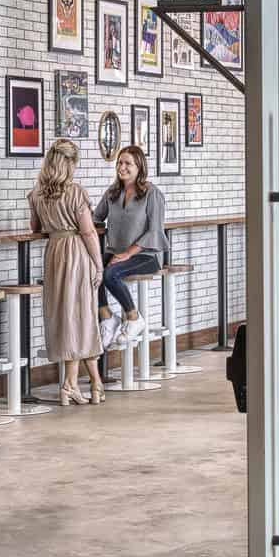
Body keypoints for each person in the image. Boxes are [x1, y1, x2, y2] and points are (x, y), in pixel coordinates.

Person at [30, 137, 107, 405]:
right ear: (69, 163)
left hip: (53, 253)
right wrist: (98, 264)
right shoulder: (75, 192)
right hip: (76, 252)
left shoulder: (37, 194)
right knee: (82, 316)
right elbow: (88, 231)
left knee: (64, 317)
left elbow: (35, 228)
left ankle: (87, 384)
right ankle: (71, 384)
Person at [95, 143, 168, 345]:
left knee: (110, 274)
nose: (122, 167)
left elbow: (154, 231)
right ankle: (107, 317)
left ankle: (134, 317)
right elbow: (96, 217)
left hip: (146, 256)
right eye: (119, 163)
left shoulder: (152, 193)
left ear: (139, 167)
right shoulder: (112, 192)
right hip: (115, 252)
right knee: (91, 268)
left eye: (128, 163)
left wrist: (128, 253)